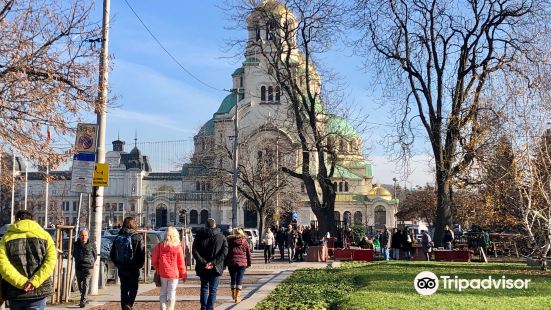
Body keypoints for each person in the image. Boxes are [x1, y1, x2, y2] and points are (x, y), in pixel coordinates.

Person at [0, 210, 56, 310]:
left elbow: (3, 265)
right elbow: (50, 262)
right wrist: (33, 282)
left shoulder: (6, 238)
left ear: (16, 220)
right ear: (32, 220)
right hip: (38, 291)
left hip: (15, 292)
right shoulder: (46, 236)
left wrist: (22, 282)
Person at [110, 217, 146, 310]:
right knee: (134, 287)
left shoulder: (118, 237)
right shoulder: (138, 236)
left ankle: (124, 307)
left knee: (124, 288)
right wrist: (140, 265)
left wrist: (117, 263)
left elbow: (112, 253)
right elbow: (142, 252)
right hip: (134, 267)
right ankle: (129, 304)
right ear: (134, 224)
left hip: (122, 267)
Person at [192, 218, 228, 310]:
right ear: (215, 225)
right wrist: (213, 263)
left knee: (204, 287)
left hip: (202, 266)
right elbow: (224, 252)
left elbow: (194, 251)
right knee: (213, 290)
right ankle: (210, 308)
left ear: (205, 225)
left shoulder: (199, 236)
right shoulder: (221, 236)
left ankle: (203, 308)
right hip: (216, 267)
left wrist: (204, 262)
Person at [151, 226, 186, 310]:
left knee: (163, 292)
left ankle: (163, 307)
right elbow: (181, 263)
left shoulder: (159, 246)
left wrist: (158, 269)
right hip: (174, 273)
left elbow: (154, 260)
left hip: (162, 272)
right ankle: (170, 308)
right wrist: (183, 274)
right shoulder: (178, 247)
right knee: (172, 292)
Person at [225, 228, 252, 303]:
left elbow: (226, 253)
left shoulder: (230, 241)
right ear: (242, 233)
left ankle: (233, 294)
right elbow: (248, 253)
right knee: (239, 279)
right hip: (242, 263)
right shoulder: (245, 241)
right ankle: (237, 296)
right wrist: (249, 263)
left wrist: (225, 262)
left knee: (233, 278)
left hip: (232, 262)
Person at [73, 229, 97, 308]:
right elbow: (74, 254)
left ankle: (82, 301)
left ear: (88, 236)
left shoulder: (92, 244)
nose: (84, 237)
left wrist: (90, 262)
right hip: (79, 267)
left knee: (86, 283)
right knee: (80, 285)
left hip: (88, 267)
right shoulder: (76, 244)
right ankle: (85, 299)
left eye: (85, 235)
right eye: (82, 235)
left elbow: (95, 255)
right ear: (80, 236)